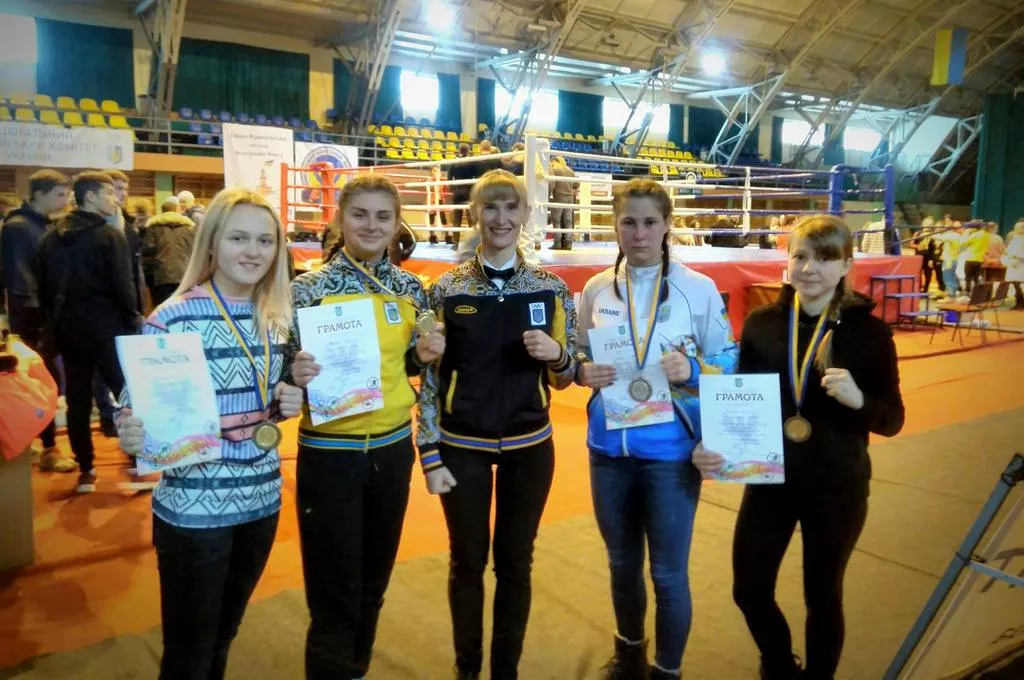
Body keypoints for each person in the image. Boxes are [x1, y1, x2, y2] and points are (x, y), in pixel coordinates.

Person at [693, 215, 905, 680]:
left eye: (825, 258)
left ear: (846, 264)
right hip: (770, 480)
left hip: (837, 486)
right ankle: (777, 664)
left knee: (822, 595)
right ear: (787, 261)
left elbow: (893, 420)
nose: (810, 268)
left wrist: (860, 400)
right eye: (801, 256)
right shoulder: (762, 324)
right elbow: (742, 397)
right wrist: (716, 441)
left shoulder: (869, 334)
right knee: (749, 590)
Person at [116, 187, 303, 680]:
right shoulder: (173, 317)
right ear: (213, 242)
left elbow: (260, 406)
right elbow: (133, 405)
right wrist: (130, 428)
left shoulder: (275, 316)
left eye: (265, 240)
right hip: (194, 510)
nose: (253, 251)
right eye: (239, 238)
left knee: (224, 636)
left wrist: (285, 403)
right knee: (189, 653)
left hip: (260, 501)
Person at [417, 169, 578, 680]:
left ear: (526, 214)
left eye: (511, 208)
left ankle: (505, 670)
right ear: (474, 214)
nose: (501, 218)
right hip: (461, 443)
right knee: (467, 561)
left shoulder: (552, 289)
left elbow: (566, 378)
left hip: (531, 446)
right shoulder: (445, 289)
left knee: (515, 563)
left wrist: (557, 357)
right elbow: (428, 377)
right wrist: (429, 451)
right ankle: (467, 668)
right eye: (491, 207)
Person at [576, 178, 738, 680]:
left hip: (671, 453)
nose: (639, 234)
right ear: (615, 225)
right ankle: (629, 656)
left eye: (650, 222)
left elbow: (729, 360)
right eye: (629, 222)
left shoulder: (698, 289)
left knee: (667, 574)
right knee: (621, 564)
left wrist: (693, 370)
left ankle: (667, 673)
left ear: (668, 224)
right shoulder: (596, 288)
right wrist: (583, 370)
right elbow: (580, 353)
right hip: (608, 450)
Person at [287, 174, 445, 680]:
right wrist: (294, 373)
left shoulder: (410, 289)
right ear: (339, 219)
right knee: (333, 589)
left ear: (397, 224)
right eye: (360, 214)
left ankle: (356, 669)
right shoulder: (306, 290)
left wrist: (424, 356)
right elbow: (281, 374)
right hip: (330, 453)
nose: (372, 225)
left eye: (383, 216)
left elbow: (411, 365)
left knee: (374, 580)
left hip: (392, 450)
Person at [36, 172, 141, 493]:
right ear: (91, 197)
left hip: (68, 331)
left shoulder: (51, 237)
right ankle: (139, 458)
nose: (115, 198)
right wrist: (133, 321)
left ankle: (86, 469)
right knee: (128, 394)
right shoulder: (110, 236)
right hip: (108, 328)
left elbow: (44, 288)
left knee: (78, 400)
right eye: (109, 192)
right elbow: (124, 287)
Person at [0, 170, 76, 472]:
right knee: (39, 384)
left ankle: (41, 444)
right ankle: (49, 449)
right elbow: (20, 281)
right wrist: (42, 320)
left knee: (47, 384)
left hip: (47, 315)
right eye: (60, 194)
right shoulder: (18, 228)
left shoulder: (47, 225)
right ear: (39, 194)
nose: (66, 200)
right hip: (32, 319)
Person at [142, 198, 197, 307]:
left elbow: (147, 250)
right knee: (183, 309)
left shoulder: (154, 226)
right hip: (184, 275)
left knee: (163, 310)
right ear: (177, 210)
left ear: (162, 211)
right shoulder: (189, 227)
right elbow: (194, 251)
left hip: (161, 276)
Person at [548, 156, 578, 251]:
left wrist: (548, 196)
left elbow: (551, 184)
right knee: (568, 221)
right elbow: (576, 184)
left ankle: (557, 244)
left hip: (559, 197)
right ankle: (568, 244)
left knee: (556, 221)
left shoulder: (554, 169)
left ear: (554, 161)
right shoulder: (570, 170)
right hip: (570, 198)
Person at [428, 164, 452, 245]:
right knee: (431, 219)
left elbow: (446, 187)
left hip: (440, 200)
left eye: (437, 171)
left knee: (443, 219)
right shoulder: (430, 180)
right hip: (432, 201)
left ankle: (447, 237)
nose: (435, 172)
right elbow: (432, 189)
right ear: (431, 172)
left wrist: (441, 179)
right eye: (434, 171)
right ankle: (432, 237)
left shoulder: (441, 180)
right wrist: (437, 180)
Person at [1002, 223, 1024, 309]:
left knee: (1017, 285)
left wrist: (1015, 255)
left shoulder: (1019, 239)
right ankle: (1019, 302)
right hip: (1014, 266)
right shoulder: (1015, 239)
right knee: (1016, 285)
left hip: (1019, 267)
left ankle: (1020, 303)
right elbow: (1009, 251)